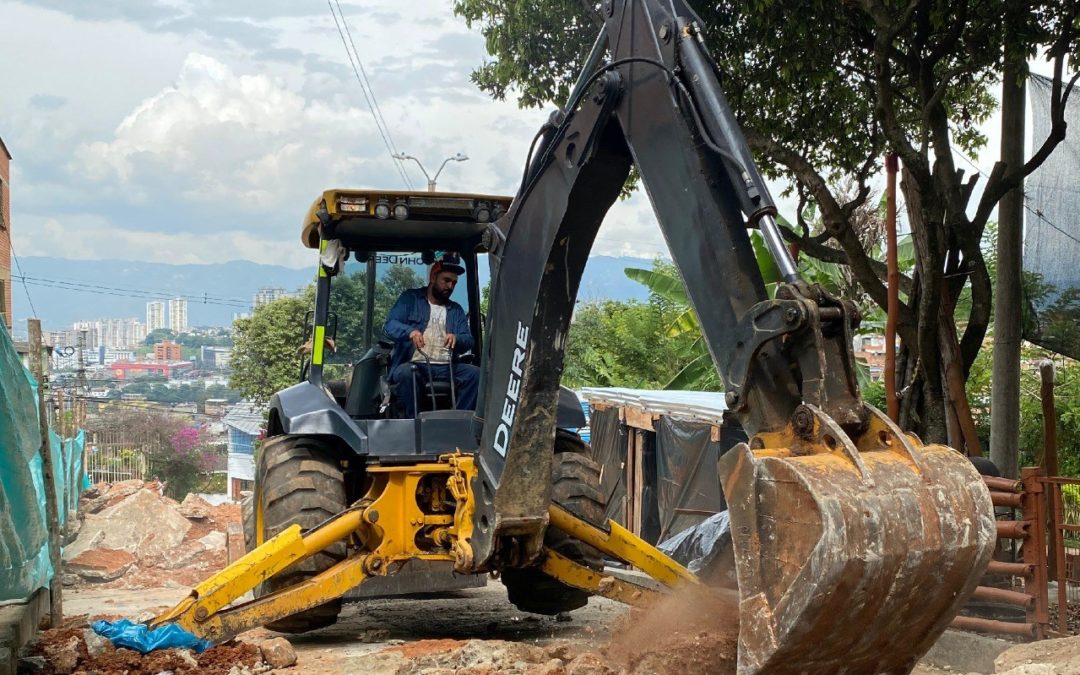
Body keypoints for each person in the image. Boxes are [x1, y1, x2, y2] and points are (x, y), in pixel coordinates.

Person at [383, 253, 479, 418]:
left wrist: (458, 338)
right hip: (415, 364)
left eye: (454, 283)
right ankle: (414, 423)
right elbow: (390, 326)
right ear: (433, 277)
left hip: (446, 367)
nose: (450, 286)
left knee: (476, 375)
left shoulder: (455, 310)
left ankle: (460, 423)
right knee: (406, 373)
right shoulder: (410, 299)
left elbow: (468, 340)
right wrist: (410, 332)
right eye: (446, 280)